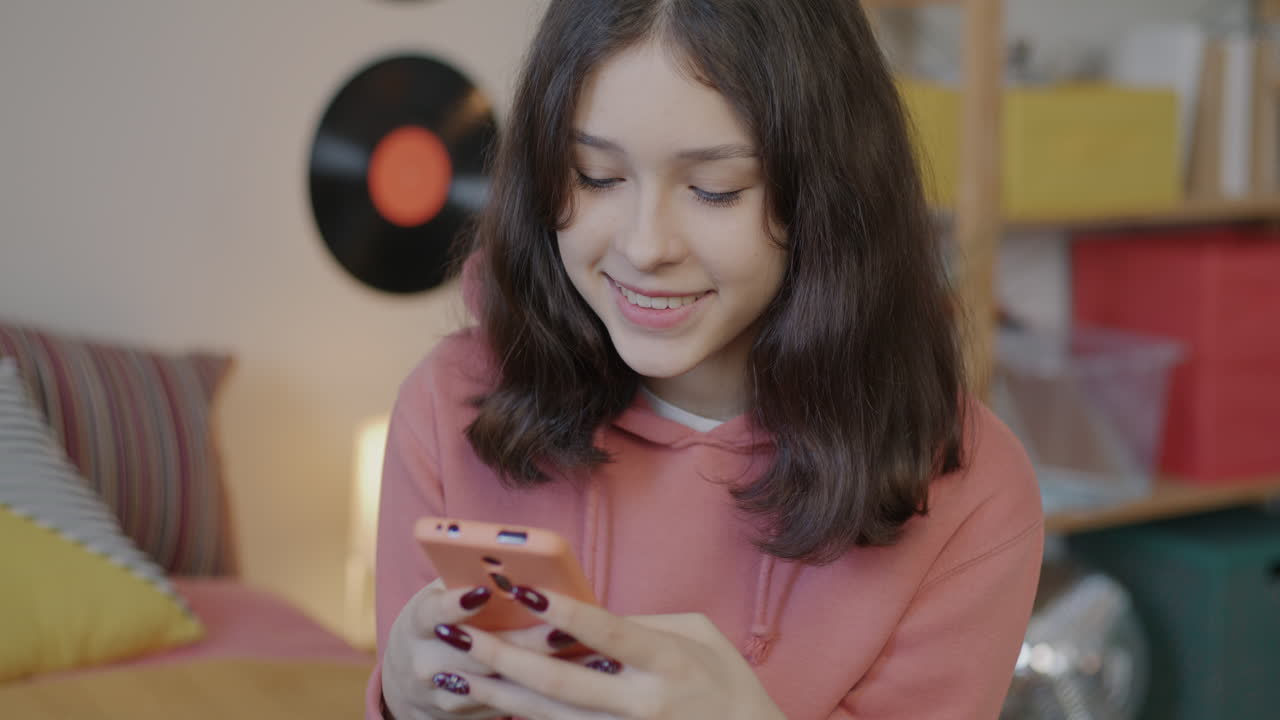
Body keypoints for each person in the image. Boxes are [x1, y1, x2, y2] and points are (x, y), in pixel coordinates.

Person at [367, 0, 1044, 718]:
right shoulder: (451, 405)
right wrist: (405, 699)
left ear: (828, 191)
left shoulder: (971, 494)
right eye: (595, 175)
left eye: (714, 190)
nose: (645, 245)